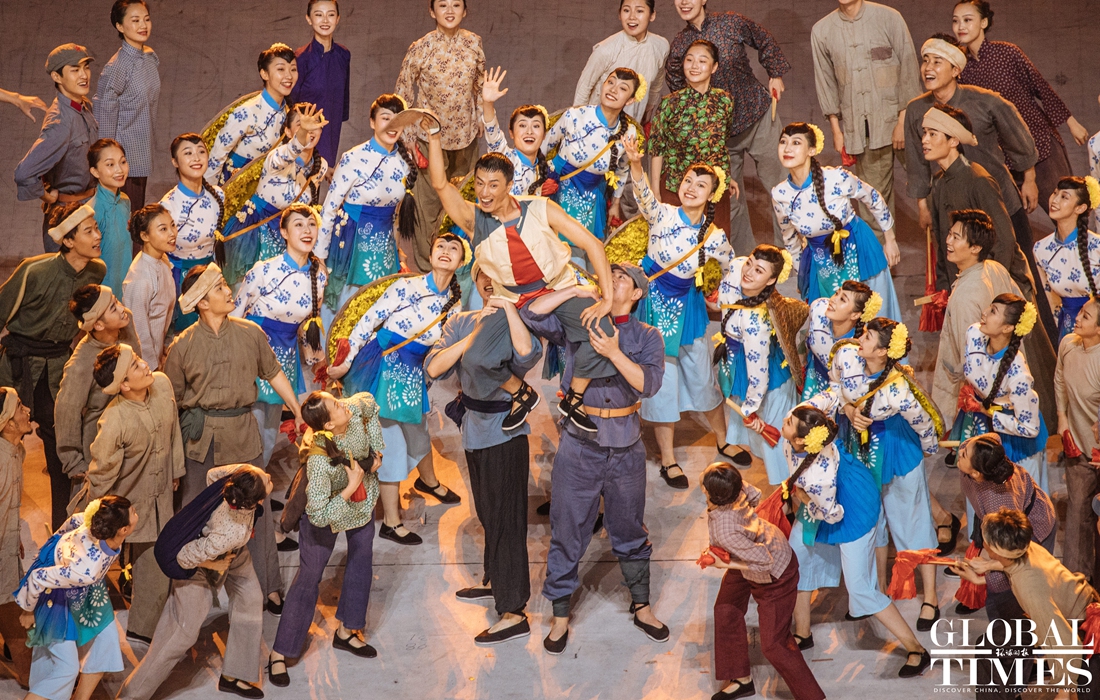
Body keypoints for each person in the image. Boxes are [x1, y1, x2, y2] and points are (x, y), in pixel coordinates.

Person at [426, 125, 616, 435]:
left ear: (510, 186)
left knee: (602, 330)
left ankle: (574, 398)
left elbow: (593, 244)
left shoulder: (540, 208)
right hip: (511, 298)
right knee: (475, 359)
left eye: (493, 185)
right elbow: (439, 183)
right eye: (480, 184)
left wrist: (607, 298)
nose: (484, 192)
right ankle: (521, 393)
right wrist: (435, 136)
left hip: (556, 288)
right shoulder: (474, 220)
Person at [523, 262, 669, 655]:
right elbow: (531, 313)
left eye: (623, 279)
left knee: (629, 528)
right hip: (579, 443)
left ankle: (642, 605)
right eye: (611, 275)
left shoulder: (647, 335)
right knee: (567, 526)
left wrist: (614, 353)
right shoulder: (581, 319)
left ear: (636, 294)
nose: (613, 280)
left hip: (626, 446)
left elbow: (649, 384)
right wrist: (573, 292)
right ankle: (560, 615)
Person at [162, 263, 301, 614]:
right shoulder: (182, 346)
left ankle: (268, 586)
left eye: (225, 285)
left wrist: (298, 411)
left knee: (257, 513)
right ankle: (192, 591)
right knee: (195, 514)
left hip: (242, 433)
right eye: (220, 288)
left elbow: (274, 372)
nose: (229, 292)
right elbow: (170, 404)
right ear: (202, 302)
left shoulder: (250, 333)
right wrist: (172, 460)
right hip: (200, 441)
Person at [425, 264, 543, 643]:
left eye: (497, 274)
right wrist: (474, 338)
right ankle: (495, 581)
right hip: (473, 430)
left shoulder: (515, 322)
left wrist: (507, 309)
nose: (489, 282)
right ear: (474, 281)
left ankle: (513, 610)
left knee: (507, 520)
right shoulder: (460, 321)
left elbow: (529, 354)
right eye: (482, 275)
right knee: (488, 513)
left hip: (506, 433)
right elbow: (434, 366)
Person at [805, 319, 945, 629]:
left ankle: (931, 597)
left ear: (882, 351)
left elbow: (924, 422)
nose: (860, 339)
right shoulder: (848, 357)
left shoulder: (898, 388)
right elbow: (836, 387)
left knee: (914, 521)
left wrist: (926, 450)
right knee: (872, 519)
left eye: (867, 337)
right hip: (860, 451)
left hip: (897, 452)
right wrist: (849, 410)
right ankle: (877, 591)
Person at [327, 234, 465, 545]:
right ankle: (391, 521)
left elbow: (442, 351)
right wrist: (345, 362)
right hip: (380, 367)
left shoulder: (455, 305)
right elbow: (366, 322)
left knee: (418, 434)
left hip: (413, 375)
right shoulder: (406, 286)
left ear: (461, 262)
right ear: (430, 254)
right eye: (440, 246)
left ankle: (429, 482)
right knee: (391, 445)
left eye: (453, 248)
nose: (445, 251)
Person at [777, 406, 931, 679]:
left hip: (851, 510)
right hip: (825, 500)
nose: (785, 419)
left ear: (801, 439)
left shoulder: (819, 476)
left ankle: (916, 649)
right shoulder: (802, 438)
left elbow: (831, 514)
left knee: (860, 589)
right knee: (798, 554)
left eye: (789, 421)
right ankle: (802, 633)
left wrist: (802, 496)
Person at [622, 134, 735, 488]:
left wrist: (718, 292)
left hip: (689, 308)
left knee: (702, 375)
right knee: (663, 381)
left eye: (701, 185)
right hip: (654, 305)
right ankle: (668, 459)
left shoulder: (714, 237)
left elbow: (730, 268)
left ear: (711, 195)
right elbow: (643, 194)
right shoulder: (663, 214)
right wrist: (636, 163)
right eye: (688, 180)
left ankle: (723, 439)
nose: (691, 188)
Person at [905, 37, 1045, 314]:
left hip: (997, 196)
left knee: (1018, 268)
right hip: (956, 200)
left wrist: (1029, 178)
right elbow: (916, 161)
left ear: (956, 70)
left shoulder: (984, 100)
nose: (928, 68)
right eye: (925, 61)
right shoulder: (917, 110)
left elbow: (1018, 138)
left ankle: (1038, 333)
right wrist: (923, 203)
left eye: (937, 62)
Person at [116, 465, 271, 700]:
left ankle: (234, 675)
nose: (268, 476)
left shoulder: (239, 479)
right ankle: (132, 695)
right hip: (200, 561)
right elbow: (184, 557)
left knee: (250, 597)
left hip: (232, 552)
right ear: (254, 502)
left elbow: (212, 475)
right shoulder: (230, 532)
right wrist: (214, 565)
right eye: (266, 480)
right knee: (182, 633)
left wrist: (246, 470)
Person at [267, 392, 385, 686]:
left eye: (337, 400)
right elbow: (319, 515)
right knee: (309, 575)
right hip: (326, 510)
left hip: (361, 504)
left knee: (361, 562)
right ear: (329, 424)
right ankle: (281, 650)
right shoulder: (319, 461)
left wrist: (376, 454)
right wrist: (350, 486)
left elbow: (370, 404)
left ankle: (347, 630)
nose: (343, 403)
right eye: (336, 405)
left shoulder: (351, 411)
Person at [0, 203, 105, 529]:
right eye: (89, 231)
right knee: (5, 442)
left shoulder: (96, 272)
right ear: (68, 241)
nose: (97, 236)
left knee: (61, 447)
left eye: (96, 229)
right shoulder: (34, 270)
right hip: (17, 365)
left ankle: (63, 526)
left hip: (58, 366)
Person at [77, 344, 182, 646]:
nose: (145, 365)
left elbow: (173, 431)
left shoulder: (162, 384)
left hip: (163, 495)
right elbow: (101, 473)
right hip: (130, 503)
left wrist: (175, 471)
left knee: (155, 563)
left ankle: (145, 628)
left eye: (138, 360)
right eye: (135, 365)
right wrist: (97, 517)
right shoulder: (114, 420)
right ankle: (138, 634)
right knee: (146, 563)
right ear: (123, 384)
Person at [666, 0, 790, 251]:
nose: (684, 2)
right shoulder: (680, 44)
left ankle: (789, 254)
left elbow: (763, 38)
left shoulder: (730, 23)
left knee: (781, 188)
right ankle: (743, 259)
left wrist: (775, 74)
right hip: (719, 134)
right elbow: (676, 85)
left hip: (757, 115)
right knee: (729, 198)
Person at [700, 461, 827, 700]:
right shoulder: (736, 487)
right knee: (726, 609)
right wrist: (747, 529)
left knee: (774, 644)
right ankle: (740, 679)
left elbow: (764, 562)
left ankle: (812, 697)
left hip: (775, 573)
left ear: (707, 491)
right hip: (749, 552)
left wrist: (725, 564)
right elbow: (755, 494)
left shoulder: (725, 530)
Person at [953, 1, 1090, 216]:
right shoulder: (960, 68)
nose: (961, 26)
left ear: (984, 22)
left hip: (1039, 143)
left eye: (967, 20)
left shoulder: (1007, 53)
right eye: (956, 21)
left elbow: (1040, 86)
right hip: (1004, 156)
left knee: (1066, 212)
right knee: (1010, 220)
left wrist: (1071, 122)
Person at [959, 509, 1100, 695]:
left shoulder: (1031, 589)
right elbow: (1017, 564)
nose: (982, 542)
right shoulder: (1024, 545)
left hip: (1081, 625)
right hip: (1067, 606)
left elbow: (1065, 641)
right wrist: (986, 570)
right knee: (993, 644)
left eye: (985, 540)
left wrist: (1064, 690)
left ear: (995, 550)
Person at [811, 0, 921, 238]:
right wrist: (837, 130)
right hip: (863, 131)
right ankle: (880, 261)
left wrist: (903, 121)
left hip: (902, 121)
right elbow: (826, 82)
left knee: (931, 191)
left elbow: (908, 68)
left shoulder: (889, 17)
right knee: (873, 205)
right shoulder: (822, 30)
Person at [232, 204, 327, 471]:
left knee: (268, 434)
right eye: (298, 225)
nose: (307, 230)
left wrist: (318, 363)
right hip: (253, 353)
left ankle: (257, 481)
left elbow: (308, 325)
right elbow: (234, 315)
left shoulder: (319, 275)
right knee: (249, 428)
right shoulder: (264, 270)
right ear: (283, 232)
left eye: (311, 225)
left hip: (285, 355)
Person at [772, 122, 901, 316]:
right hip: (820, 260)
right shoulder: (780, 194)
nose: (787, 148)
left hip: (857, 249)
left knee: (871, 315)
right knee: (827, 317)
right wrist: (802, 275)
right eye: (783, 142)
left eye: (796, 142)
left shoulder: (836, 177)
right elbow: (790, 240)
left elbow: (873, 198)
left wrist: (890, 239)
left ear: (812, 150)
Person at [15, 496, 136, 700]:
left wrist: (58, 540)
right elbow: (38, 577)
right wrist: (28, 610)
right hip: (57, 595)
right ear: (123, 529)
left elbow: (72, 521)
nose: (136, 513)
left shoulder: (96, 524)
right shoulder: (86, 569)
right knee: (64, 669)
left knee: (106, 640)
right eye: (134, 512)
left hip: (84, 587)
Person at [395, 0, 486, 273]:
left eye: (456, 5)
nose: (449, 11)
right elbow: (403, 92)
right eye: (442, 5)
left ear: (464, 11)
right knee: (427, 207)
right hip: (428, 140)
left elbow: (480, 85)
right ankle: (427, 269)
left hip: (466, 138)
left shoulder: (474, 43)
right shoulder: (421, 47)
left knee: (464, 203)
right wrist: (408, 138)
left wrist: (481, 115)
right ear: (432, 11)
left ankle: (464, 271)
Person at [314, 94, 417, 314]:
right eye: (385, 118)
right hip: (350, 241)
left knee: (378, 307)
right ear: (372, 122)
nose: (392, 126)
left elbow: (396, 217)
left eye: (397, 120)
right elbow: (329, 209)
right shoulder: (353, 157)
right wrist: (320, 257)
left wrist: (397, 248)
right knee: (344, 307)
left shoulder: (404, 160)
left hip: (384, 245)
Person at [715, 245, 807, 485]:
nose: (749, 272)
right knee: (762, 446)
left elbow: (759, 375)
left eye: (759, 271)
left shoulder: (756, 323)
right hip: (741, 365)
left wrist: (750, 409)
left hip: (768, 381)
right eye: (750, 263)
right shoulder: (736, 268)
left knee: (778, 447)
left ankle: (787, 494)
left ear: (771, 280)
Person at [918, 103, 1031, 294]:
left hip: (998, 289)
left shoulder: (978, 180)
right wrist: (944, 289)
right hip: (963, 286)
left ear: (954, 141)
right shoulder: (938, 182)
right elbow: (942, 242)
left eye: (932, 134)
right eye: (924, 133)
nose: (924, 140)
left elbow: (1004, 242)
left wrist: (989, 289)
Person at [220, 103, 329, 286]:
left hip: (290, 235)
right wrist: (302, 134)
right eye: (301, 125)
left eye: (314, 125)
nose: (309, 130)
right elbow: (291, 151)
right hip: (256, 232)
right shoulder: (276, 157)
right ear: (287, 131)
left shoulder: (321, 166)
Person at [948, 294, 1048, 491]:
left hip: (1013, 437)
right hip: (978, 423)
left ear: (1007, 328)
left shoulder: (1018, 374)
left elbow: (1030, 428)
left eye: (993, 311)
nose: (984, 313)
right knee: (976, 490)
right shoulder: (974, 334)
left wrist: (987, 412)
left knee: (1017, 497)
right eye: (989, 307)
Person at [953, 434, 1056, 615]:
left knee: (1006, 589)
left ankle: (1012, 626)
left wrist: (987, 567)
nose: (960, 451)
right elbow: (993, 437)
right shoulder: (985, 454)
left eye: (964, 454)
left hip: (1028, 528)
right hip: (1000, 526)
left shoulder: (999, 502)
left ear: (976, 473)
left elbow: (1017, 559)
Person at [542, 68, 641, 254]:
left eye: (622, 88)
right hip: (559, 188)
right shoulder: (574, 116)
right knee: (554, 249)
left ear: (630, 100)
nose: (613, 89)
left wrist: (616, 203)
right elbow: (543, 147)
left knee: (583, 252)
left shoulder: (629, 132)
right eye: (610, 82)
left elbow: (621, 170)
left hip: (593, 196)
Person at [648, 39, 738, 240]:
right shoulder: (670, 103)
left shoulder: (725, 100)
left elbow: (721, 142)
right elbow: (656, 149)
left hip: (713, 189)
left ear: (714, 67)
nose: (694, 66)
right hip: (676, 187)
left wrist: (727, 176)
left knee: (714, 245)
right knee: (674, 244)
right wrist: (655, 190)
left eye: (702, 61)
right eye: (689, 60)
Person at [14, 44, 99, 252]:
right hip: (67, 220)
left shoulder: (84, 106)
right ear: (56, 76)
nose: (84, 75)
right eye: (75, 70)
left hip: (90, 210)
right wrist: (46, 195)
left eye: (86, 67)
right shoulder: (60, 122)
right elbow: (24, 173)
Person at [54, 284, 139, 487]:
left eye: (117, 301)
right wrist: (75, 464)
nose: (122, 309)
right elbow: (66, 414)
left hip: (134, 434)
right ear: (98, 325)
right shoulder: (80, 364)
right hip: (101, 444)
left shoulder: (125, 322)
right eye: (113, 308)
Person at [94, 0, 160, 208]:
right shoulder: (117, 67)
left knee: (136, 215)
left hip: (142, 152)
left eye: (146, 19)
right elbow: (104, 114)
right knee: (125, 219)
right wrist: (109, 162)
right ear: (120, 26)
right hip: (123, 162)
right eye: (135, 20)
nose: (143, 25)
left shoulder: (149, 58)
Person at [206, 43, 297, 187]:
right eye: (281, 69)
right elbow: (217, 154)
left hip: (267, 187)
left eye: (293, 69)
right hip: (234, 185)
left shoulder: (288, 112)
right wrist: (209, 195)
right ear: (264, 73)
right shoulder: (247, 111)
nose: (289, 76)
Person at [160, 133, 225, 331]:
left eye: (201, 152)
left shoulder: (218, 195)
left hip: (211, 273)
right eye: (188, 153)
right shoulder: (168, 205)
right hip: (181, 279)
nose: (196, 158)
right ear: (175, 161)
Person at [1055, 297, 1100, 578]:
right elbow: (1060, 378)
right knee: (1077, 515)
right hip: (1079, 446)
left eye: (1086, 316)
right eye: (1080, 312)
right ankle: (1075, 585)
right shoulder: (1068, 344)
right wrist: (1062, 418)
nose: (1078, 318)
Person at [574, 0, 668, 126]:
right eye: (626, 10)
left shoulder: (661, 46)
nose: (632, 17)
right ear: (619, 14)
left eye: (639, 11)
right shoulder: (605, 49)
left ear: (652, 15)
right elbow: (583, 89)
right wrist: (577, 124)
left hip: (632, 125)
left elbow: (656, 82)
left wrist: (649, 108)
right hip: (597, 126)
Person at [1033, 177, 1100, 342]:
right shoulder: (1041, 248)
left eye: (1064, 197)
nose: (1054, 200)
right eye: (1055, 193)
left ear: (1080, 208)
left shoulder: (1096, 246)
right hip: (1068, 328)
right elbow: (1051, 300)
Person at [288, 0, 350, 168]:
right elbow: (290, 103)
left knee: (323, 171)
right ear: (309, 19)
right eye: (318, 15)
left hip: (331, 127)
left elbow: (343, 96)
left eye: (330, 15)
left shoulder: (343, 54)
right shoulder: (301, 58)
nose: (325, 20)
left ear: (338, 18)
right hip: (305, 130)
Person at [0, 389, 33, 689]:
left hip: (7, 545)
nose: (28, 411)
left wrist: (15, 534)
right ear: (8, 423)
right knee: (12, 612)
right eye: (20, 407)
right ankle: (29, 676)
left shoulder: (16, 450)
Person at [480, 68, 552, 197]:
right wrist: (488, 103)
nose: (529, 131)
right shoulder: (505, 159)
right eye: (522, 125)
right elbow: (493, 133)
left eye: (536, 126)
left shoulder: (543, 170)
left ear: (544, 135)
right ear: (511, 133)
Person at [123, 204, 177, 370]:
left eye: (173, 225)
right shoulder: (140, 277)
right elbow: (139, 332)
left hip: (158, 354)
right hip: (143, 365)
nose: (172, 233)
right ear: (145, 236)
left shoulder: (162, 260)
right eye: (163, 229)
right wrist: (152, 367)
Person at [803, 281, 878, 399]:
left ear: (855, 315)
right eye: (837, 293)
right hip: (813, 378)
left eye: (842, 299)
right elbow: (809, 336)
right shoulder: (818, 308)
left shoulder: (858, 348)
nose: (833, 300)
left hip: (842, 394)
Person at [87, 138, 131, 293]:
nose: (119, 170)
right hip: (103, 292)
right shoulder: (91, 212)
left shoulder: (125, 201)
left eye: (123, 162)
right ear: (95, 171)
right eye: (110, 165)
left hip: (126, 285)